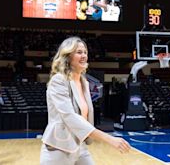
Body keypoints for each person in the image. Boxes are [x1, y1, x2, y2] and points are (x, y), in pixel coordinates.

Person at [40, 37, 130, 165]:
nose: (84, 56)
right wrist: (109, 139)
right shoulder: (58, 81)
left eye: (85, 52)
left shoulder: (84, 82)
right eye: (79, 52)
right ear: (67, 56)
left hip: (80, 146)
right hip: (59, 148)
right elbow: (70, 117)